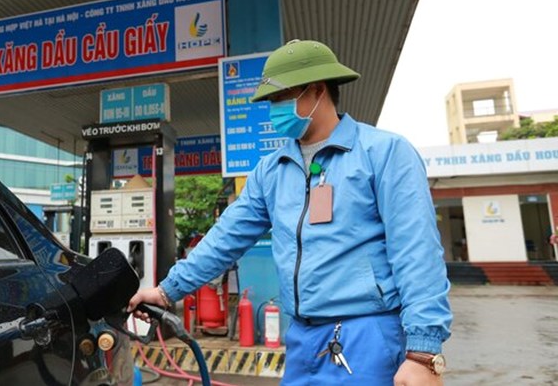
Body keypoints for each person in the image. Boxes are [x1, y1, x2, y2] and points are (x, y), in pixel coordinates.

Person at [128, 39, 452, 385]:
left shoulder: (384, 153)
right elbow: (226, 237)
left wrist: (423, 352)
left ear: (316, 90)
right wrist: (166, 291)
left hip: (368, 333)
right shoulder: (273, 170)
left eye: (280, 98)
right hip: (302, 339)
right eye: (271, 101)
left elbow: (417, 252)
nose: (274, 109)